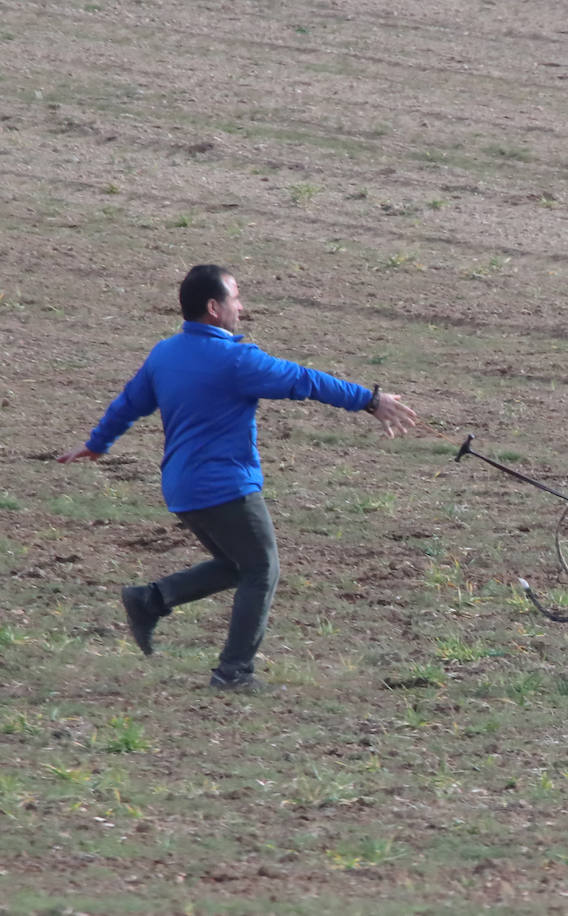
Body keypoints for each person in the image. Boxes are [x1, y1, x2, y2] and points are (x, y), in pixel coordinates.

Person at [58, 264, 418, 693]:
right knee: (261, 569)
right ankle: (234, 673)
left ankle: (149, 600)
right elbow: (304, 380)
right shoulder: (235, 360)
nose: (242, 307)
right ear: (213, 307)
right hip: (224, 487)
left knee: (237, 565)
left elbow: (128, 403)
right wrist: (370, 400)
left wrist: (98, 443)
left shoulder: (165, 353)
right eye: (236, 298)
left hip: (182, 489)